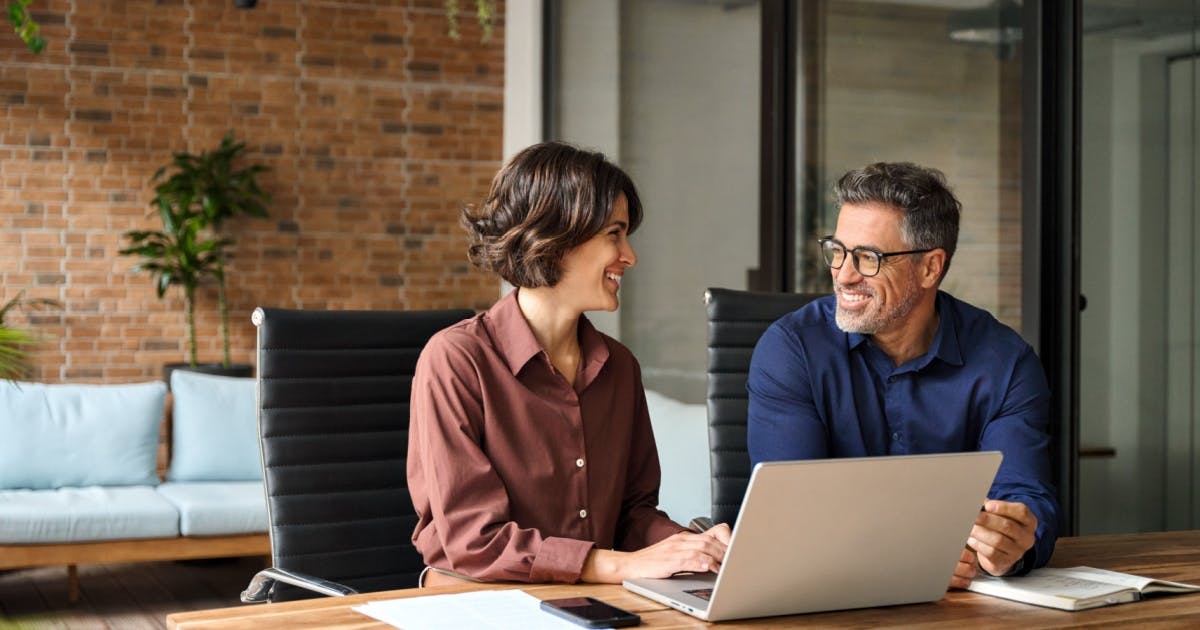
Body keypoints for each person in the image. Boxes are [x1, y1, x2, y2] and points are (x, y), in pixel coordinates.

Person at [408, 141, 730, 586]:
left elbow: (632, 515)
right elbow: (475, 540)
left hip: (591, 598)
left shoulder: (619, 367)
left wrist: (695, 548)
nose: (630, 256)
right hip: (480, 600)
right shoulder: (457, 361)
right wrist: (620, 565)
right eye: (614, 234)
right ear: (556, 240)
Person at [746, 162, 1058, 588]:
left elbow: (1026, 501)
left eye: (868, 258)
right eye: (837, 251)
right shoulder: (792, 349)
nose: (844, 274)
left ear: (931, 267)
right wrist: (907, 555)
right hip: (818, 599)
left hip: (960, 606)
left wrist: (1008, 547)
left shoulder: (1006, 363)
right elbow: (786, 513)